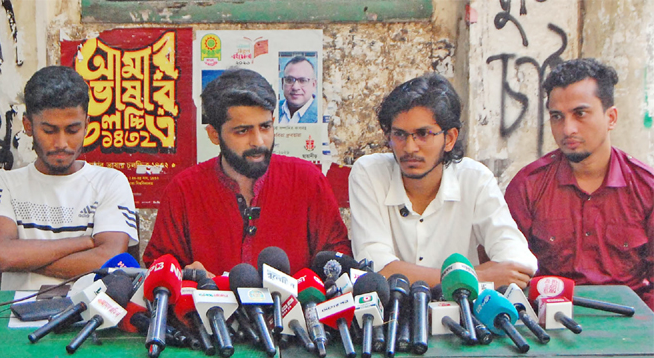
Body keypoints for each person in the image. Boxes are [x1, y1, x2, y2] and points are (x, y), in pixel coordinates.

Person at [143, 68, 350, 275]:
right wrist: (189, 277)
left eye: (265, 127)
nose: (258, 142)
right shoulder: (184, 190)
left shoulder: (307, 181)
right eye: (242, 131)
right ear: (214, 134)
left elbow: (337, 259)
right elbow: (160, 267)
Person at [349, 73, 537, 288]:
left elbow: (518, 262)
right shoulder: (369, 173)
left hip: (462, 306)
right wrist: (477, 277)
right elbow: (376, 267)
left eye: (423, 134)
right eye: (399, 135)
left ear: (450, 138)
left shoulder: (474, 178)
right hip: (393, 307)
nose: (409, 147)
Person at [0, 66, 139, 291]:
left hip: (88, 310)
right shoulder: (3, 184)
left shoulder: (110, 182)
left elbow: (108, 260)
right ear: (28, 126)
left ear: (86, 125)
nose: (61, 143)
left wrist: (23, 260)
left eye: (72, 130)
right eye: (49, 131)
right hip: (13, 311)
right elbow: (3, 255)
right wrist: (86, 242)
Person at [506, 58, 654, 309]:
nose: (568, 129)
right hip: (548, 320)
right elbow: (509, 275)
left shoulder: (646, 188)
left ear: (611, 117)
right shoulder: (527, 187)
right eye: (557, 116)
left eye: (580, 114)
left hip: (630, 320)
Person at [278, 56, 318, 124]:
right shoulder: (272, 110)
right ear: (282, 83)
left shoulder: (322, 114)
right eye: (289, 80)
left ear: (313, 85)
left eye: (303, 80)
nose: (295, 87)